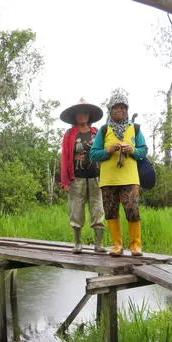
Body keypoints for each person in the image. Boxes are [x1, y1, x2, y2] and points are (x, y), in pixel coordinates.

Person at [90, 88, 147, 256]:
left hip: (130, 179)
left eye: (123, 107)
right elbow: (93, 154)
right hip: (108, 180)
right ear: (111, 109)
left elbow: (143, 151)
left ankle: (136, 246)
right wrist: (108, 150)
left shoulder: (135, 129)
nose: (120, 110)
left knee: (133, 210)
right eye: (116, 107)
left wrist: (133, 150)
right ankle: (117, 246)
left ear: (127, 109)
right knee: (110, 212)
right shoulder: (103, 130)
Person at [60, 98, 106, 253]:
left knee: (98, 209)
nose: (82, 115)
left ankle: (98, 244)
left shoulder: (96, 133)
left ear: (89, 115)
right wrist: (65, 180)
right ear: (75, 116)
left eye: (85, 112)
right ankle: (78, 243)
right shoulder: (70, 134)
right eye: (79, 113)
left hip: (95, 178)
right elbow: (65, 157)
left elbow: (103, 153)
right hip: (77, 178)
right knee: (76, 210)